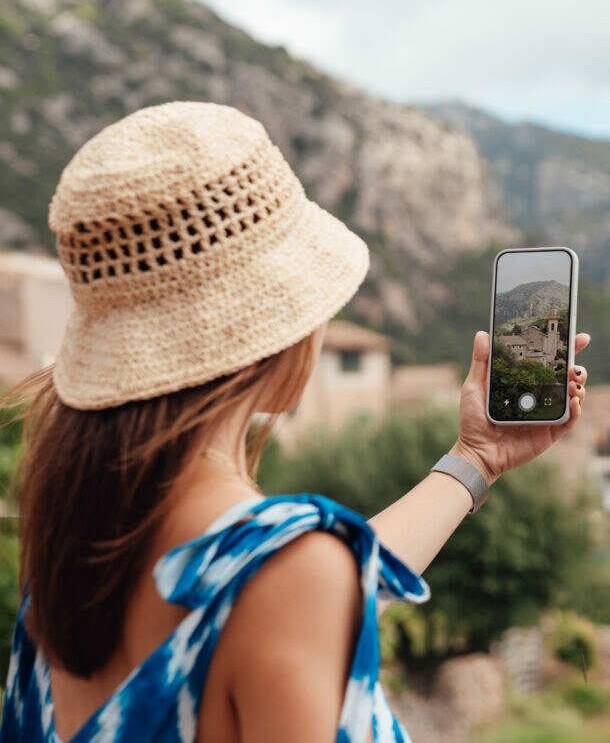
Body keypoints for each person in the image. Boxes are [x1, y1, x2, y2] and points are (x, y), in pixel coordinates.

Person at [0, 101, 589, 743]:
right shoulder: (286, 575)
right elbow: (300, 589)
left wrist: (475, 460)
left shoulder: (69, 553)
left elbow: (320, 586)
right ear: (272, 334)